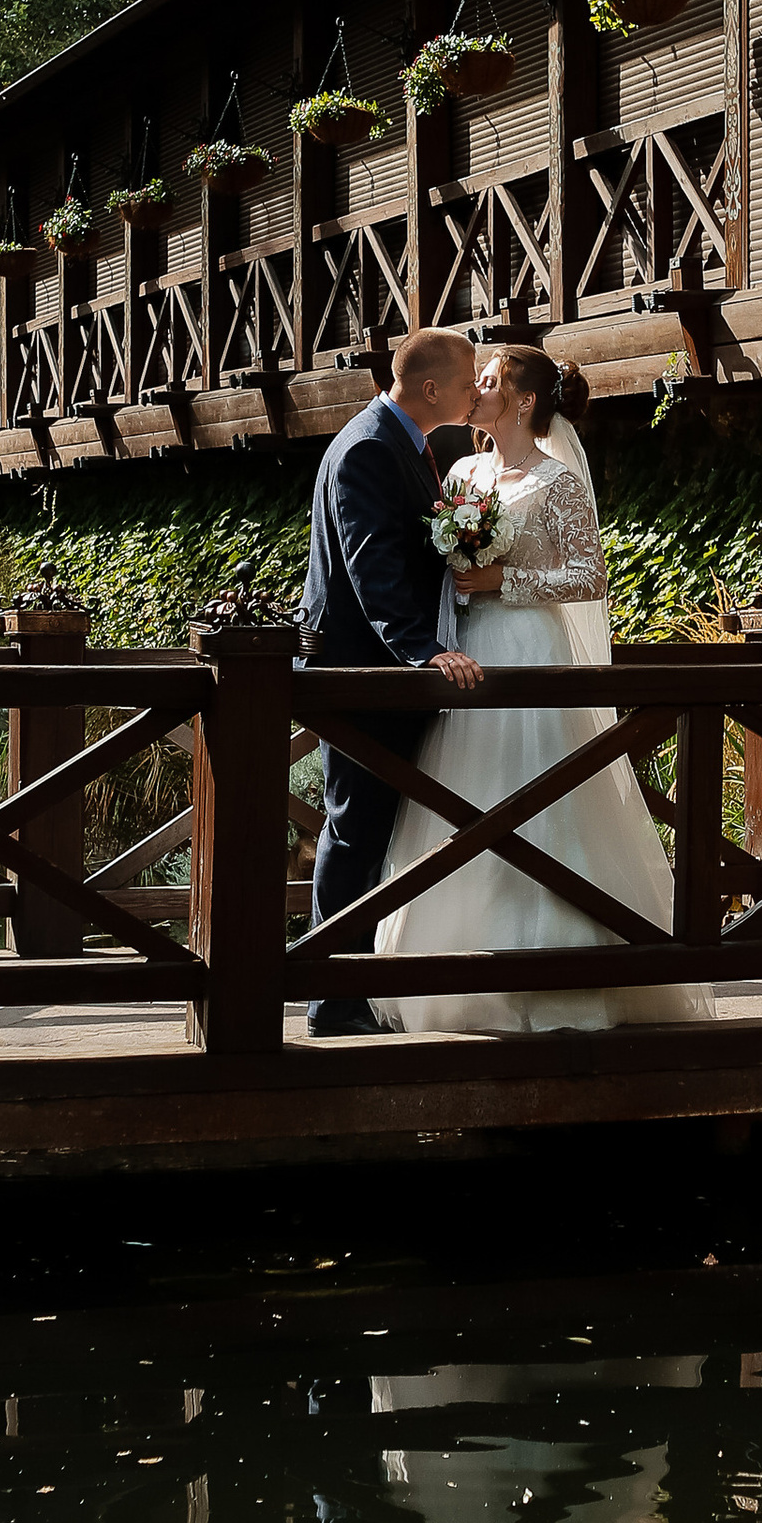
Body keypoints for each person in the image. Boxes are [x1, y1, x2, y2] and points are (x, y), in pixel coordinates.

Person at [373, 347, 719, 1035]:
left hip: (530, 652)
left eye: (492, 383)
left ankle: (566, 974)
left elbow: (589, 578)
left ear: (525, 402)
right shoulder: (465, 470)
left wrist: (507, 582)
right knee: (466, 802)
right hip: (469, 654)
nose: (478, 389)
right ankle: (458, 977)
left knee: (541, 804)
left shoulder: (557, 481)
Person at [298, 326, 485, 1035]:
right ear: (432, 387)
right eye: (468, 382)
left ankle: (349, 989)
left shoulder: (403, 441)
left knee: (368, 828)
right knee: (354, 829)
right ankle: (333, 999)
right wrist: (420, 652)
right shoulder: (373, 447)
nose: (474, 392)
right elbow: (370, 564)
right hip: (360, 674)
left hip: (371, 669)